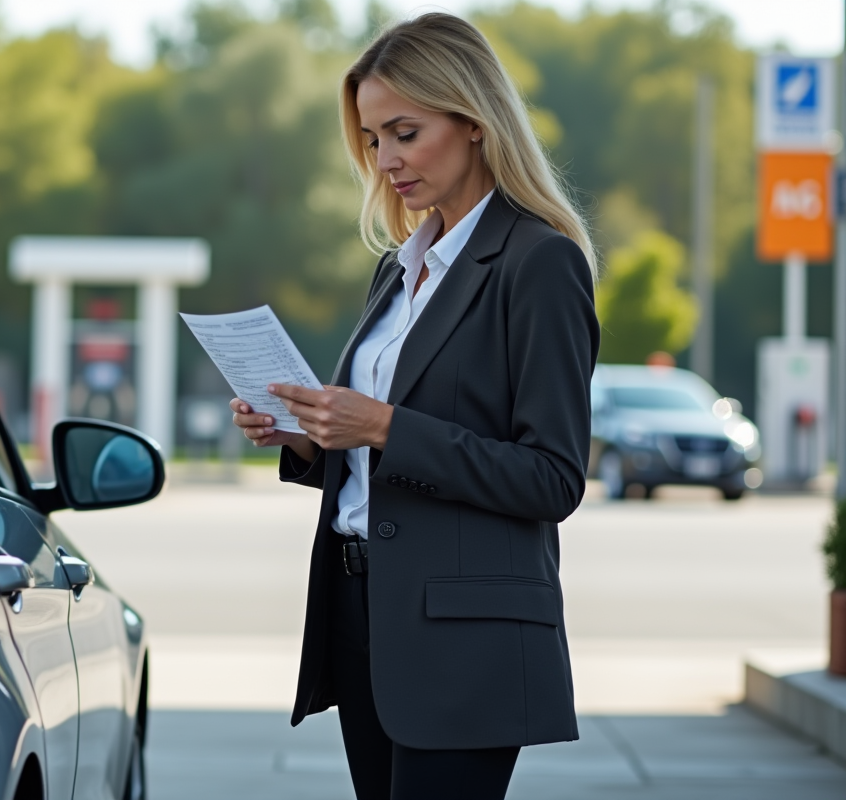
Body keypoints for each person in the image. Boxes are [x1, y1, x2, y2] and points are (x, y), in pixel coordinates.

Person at [229, 12, 599, 800]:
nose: (385, 161)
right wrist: (305, 438)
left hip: (466, 636)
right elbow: (371, 454)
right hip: (364, 611)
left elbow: (552, 478)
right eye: (371, 140)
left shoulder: (540, 264)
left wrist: (386, 427)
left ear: (473, 122)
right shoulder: (398, 271)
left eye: (404, 132)